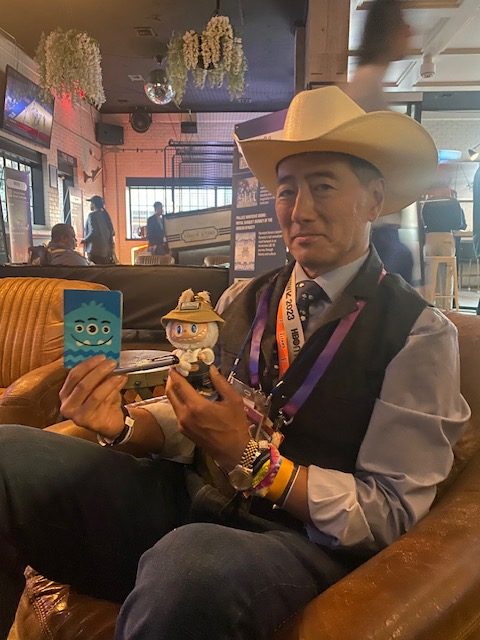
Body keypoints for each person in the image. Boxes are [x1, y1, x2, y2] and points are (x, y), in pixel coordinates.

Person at [0, 87, 471, 640]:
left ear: (374, 199)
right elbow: (203, 416)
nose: (299, 210)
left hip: (295, 540)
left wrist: (254, 460)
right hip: (190, 500)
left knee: (189, 565)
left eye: (323, 187)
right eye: (287, 190)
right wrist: (127, 425)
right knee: (8, 452)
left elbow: (389, 513)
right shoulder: (240, 300)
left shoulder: (418, 335)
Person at [344, 0, 411, 112]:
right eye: (401, 21)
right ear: (387, 32)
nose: (409, 31)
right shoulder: (367, 89)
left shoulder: (367, 83)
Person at [82, 195, 116, 264]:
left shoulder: (92, 215)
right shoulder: (105, 215)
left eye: (91, 203)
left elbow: (93, 231)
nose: (90, 205)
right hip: (106, 251)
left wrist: (85, 240)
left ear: (93, 204)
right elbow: (112, 232)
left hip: (94, 250)